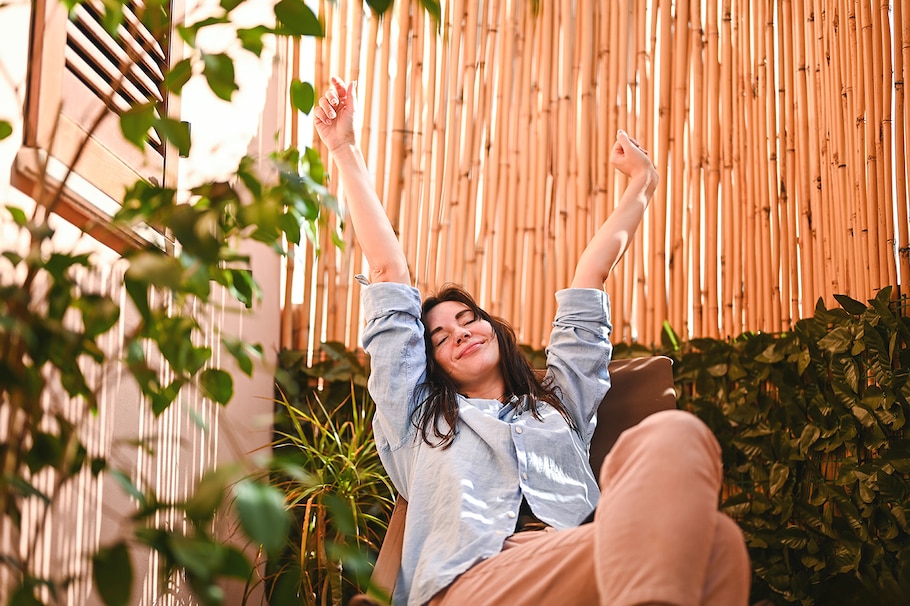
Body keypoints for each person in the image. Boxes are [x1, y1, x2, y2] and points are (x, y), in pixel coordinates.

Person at [314, 76, 750, 606]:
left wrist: (642, 185)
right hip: (474, 577)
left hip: (573, 557)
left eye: (467, 318)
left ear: (492, 327)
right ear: (431, 366)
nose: (460, 334)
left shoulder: (558, 405)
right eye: (439, 338)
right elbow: (387, 269)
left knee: (686, 457)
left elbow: (590, 283)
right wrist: (343, 148)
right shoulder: (417, 421)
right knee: (713, 546)